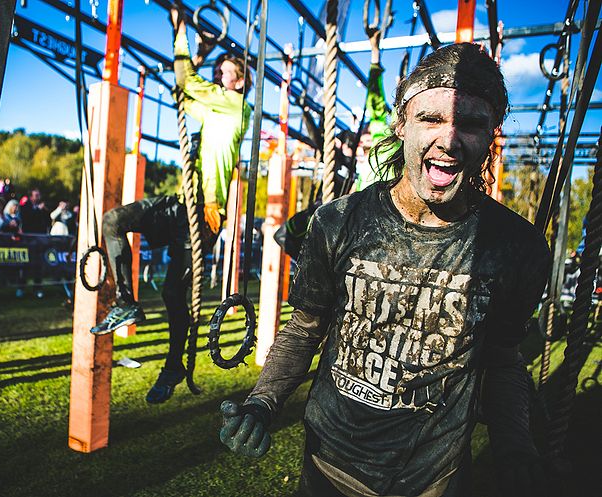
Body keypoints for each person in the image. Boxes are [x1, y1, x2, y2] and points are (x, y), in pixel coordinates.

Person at [219, 43, 554, 497]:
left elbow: (502, 358)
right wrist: (261, 403)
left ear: (491, 134)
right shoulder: (337, 221)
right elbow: (304, 329)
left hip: (435, 479)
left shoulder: (517, 246)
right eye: (431, 119)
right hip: (328, 467)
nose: (449, 140)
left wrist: (515, 445)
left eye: (471, 124)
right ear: (401, 124)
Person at [90, 5, 251, 406]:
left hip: (206, 213)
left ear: (241, 80)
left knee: (171, 294)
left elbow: (185, 80)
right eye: (218, 74)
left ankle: (173, 364)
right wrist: (195, 54)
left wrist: (181, 32)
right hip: (183, 205)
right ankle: (126, 302)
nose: (220, 77)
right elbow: (186, 91)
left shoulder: (233, 106)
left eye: (225, 73)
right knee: (113, 220)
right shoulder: (215, 108)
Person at [275, 27, 394, 260]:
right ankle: (306, 263)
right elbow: (320, 140)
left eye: (355, 144)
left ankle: (315, 265)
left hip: (341, 214)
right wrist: (308, 112)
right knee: (283, 234)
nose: (348, 147)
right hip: (322, 209)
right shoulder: (342, 161)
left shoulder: (359, 165)